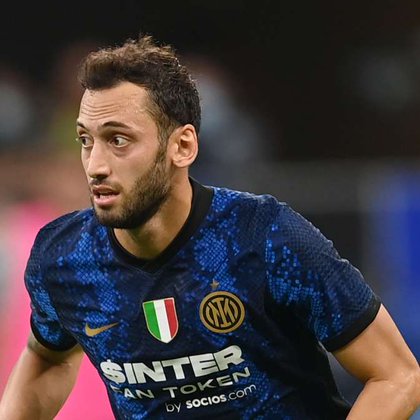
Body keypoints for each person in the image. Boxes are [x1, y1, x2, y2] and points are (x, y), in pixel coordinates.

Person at [0, 35, 419, 420]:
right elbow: (48, 358)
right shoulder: (64, 258)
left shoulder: (267, 238)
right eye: (85, 140)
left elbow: (397, 376)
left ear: (182, 146)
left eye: (119, 140)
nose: (95, 165)